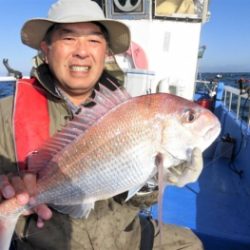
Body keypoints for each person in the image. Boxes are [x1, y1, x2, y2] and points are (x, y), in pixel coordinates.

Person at [0, 0, 204, 249]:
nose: (82, 51)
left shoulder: (129, 110)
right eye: (69, 38)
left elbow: (133, 200)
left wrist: (156, 179)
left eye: (94, 40)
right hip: (49, 243)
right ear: (46, 47)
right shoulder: (6, 115)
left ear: (106, 51)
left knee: (190, 243)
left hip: (125, 238)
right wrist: (7, 190)